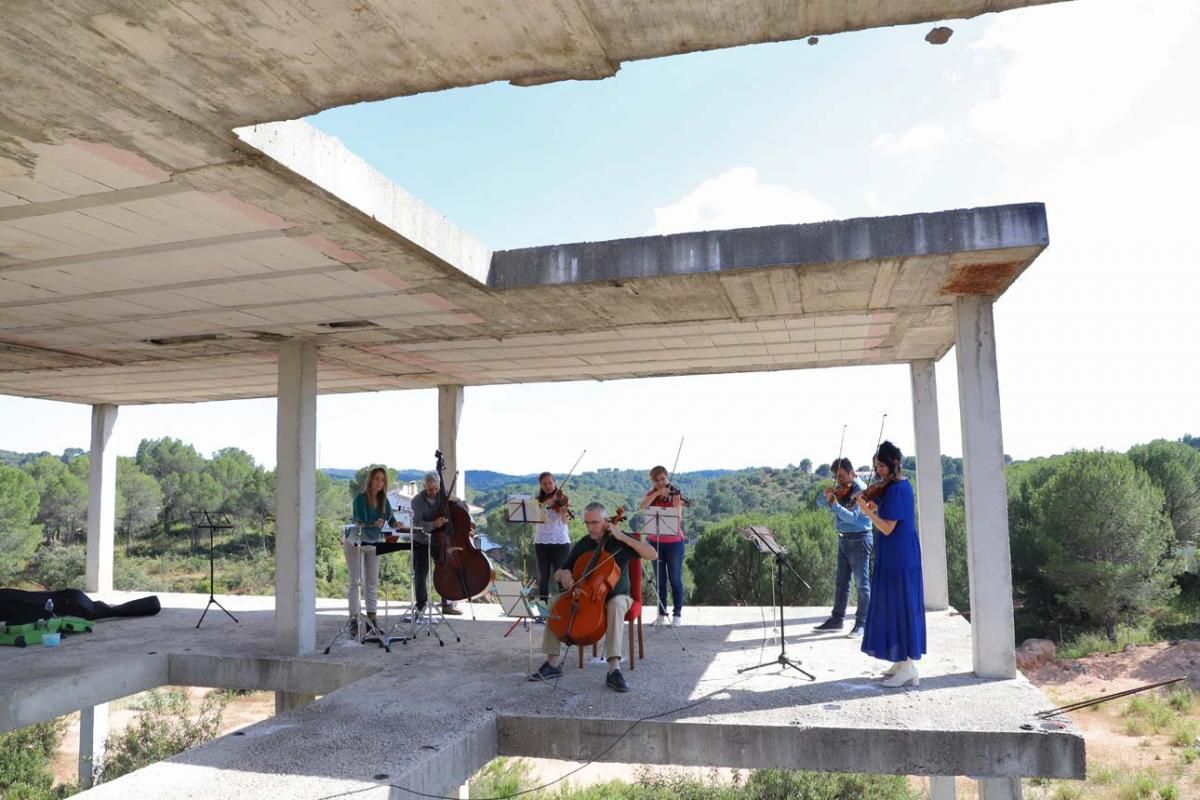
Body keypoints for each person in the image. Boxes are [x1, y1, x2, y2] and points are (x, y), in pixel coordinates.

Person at [529, 502, 658, 692]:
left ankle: (614, 669)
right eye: (587, 523)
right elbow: (560, 570)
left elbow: (652, 554)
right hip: (587, 594)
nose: (590, 528)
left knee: (614, 605)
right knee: (555, 601)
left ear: (606, 522)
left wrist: (622, 535)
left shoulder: (621, 542)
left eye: (595, 523)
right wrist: (563, 574)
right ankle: (552, 663)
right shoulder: (584, 544)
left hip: (619, 596)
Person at [856, 441, 927, 688]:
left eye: (882, 466)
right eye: (877, 466)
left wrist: (867, 512)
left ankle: (908, 666)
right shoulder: (891, 488)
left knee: (901, 604)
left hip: (899, 554)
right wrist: (873, 504)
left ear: (893, 464)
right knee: (892, 603)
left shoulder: (898, 489)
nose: (878, 471)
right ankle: (901, 661)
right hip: (894, 552)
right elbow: (885, 513)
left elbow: (887, 528)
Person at [813, 457, 873, 636]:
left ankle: (862, 623)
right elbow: (818, 504)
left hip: (859, 538)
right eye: (836, 477)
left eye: (841, 476)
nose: (839, 481)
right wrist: (826, 497)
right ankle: (837, 619)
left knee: (862, 584)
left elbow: (853, 517)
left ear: (852, 473)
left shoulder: (860, 490)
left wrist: (834, 505)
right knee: (841, 583)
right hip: (844, 539)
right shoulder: (841, 490)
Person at [409, 471, 463, 616]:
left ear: (439, 486)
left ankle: (447, 603)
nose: (433, 492)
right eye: (430, 489)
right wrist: (433, 524)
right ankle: (421, 606)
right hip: (422, 540)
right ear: (424, 486)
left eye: (436, 489)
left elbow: (464, 510)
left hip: (441, 541)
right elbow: (417, 523)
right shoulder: (416, 501)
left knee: (446, 570)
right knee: (420, 574)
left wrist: (456, 500)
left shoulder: (444, 497)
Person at [346, 467, 393, 630]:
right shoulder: (360, 498)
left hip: (373, 543)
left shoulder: (384, 500)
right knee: (356, 582)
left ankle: (372, 619)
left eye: (383, 480)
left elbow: (391, 519)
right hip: (356, 542)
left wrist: (397, 524)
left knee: (372, 582)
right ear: (371, 480)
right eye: (377, 479)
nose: (380, 482)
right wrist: (373, 523)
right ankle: (354, 620)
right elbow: (358, 520)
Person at [638, 465, 685, 626]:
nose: (660, 482)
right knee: (660, 580)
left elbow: (678, 516)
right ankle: (661, 614)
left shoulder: (675, 494)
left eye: (663, 479)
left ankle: (677, 614)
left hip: (674, 543)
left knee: (675, 578)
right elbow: (642, 507)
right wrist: (657, 493)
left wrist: (675, 502)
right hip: (655, 542)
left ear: (668, 477)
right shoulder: (651, 494)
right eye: (656, 480)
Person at [533, 472, 572, 614]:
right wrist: (546, 504)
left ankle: (564, 610)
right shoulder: (538, 502)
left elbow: (564, 521)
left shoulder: (563, 499)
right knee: (543, 577)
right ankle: (543, 612)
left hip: (560, 541)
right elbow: (536, 518)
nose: (548, 486)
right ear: (541, 486)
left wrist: (563, 512)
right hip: (541, 541)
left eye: (550, 483)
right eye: (544, 484)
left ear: (555, 482)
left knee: (561, 576)